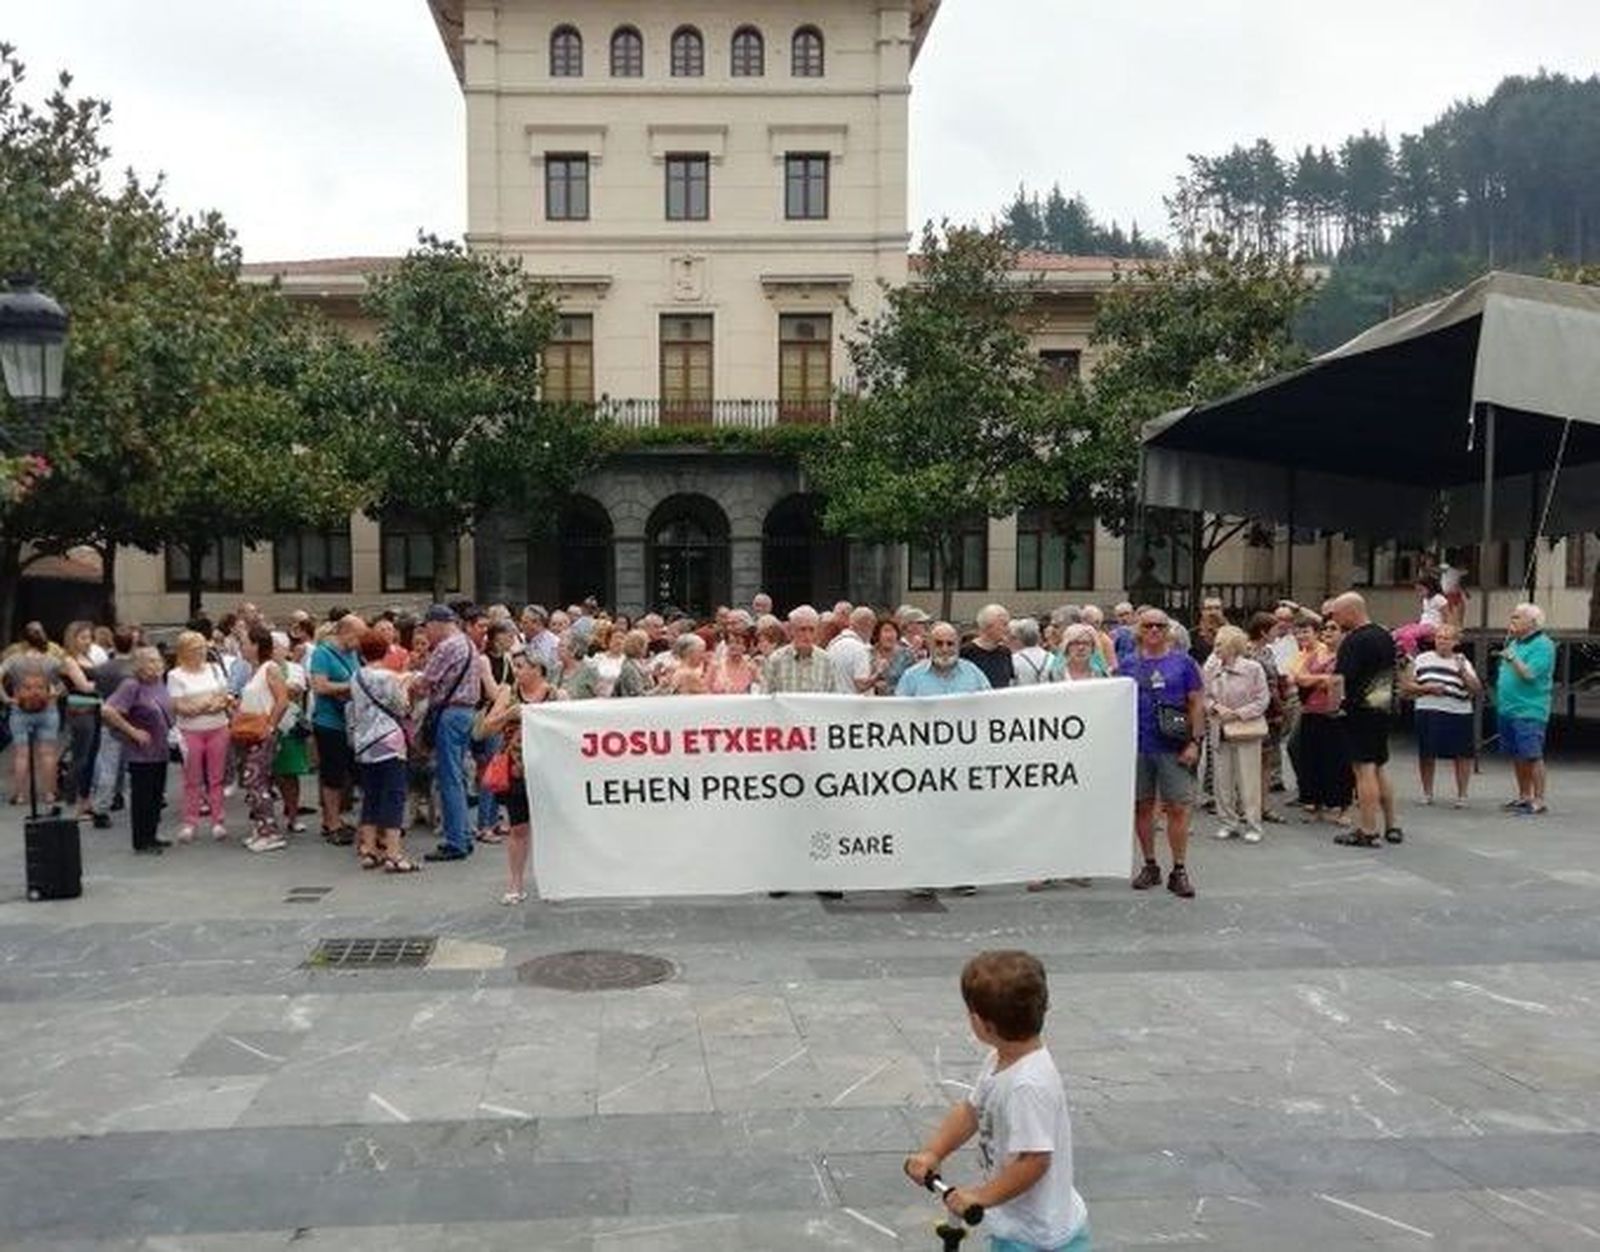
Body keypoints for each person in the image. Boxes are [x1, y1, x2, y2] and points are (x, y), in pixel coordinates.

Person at [904, 951, 1090, 1252]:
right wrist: (933, 1153)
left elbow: (1035, 1161)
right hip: (1018, 1223)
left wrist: (982, 1196)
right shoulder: (1001, 1059)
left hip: (1038, 1238)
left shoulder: (1027, 1085)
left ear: (980, 1023)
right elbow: (970, 1111)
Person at [1128, 607, 1203, 898]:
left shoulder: (1184, 664)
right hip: (1138, 745)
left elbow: (1196, 702)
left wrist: (1194, 741)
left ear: (1169, 630)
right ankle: (1150, 864)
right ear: (1139, 630)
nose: (1155, 630)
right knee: (1142, 806)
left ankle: (1179, 869)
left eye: (1160, 625)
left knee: (1178, 807)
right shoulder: (1127, 665)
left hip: (1174, 746)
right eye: (1148, 626)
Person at [481, 646, 564, 904]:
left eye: (521, 666)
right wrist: (508, 715)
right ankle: (515, 884)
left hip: (548, 769)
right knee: (518, 827)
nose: (515, 672)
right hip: (516, 769)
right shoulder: (508, 693)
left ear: (537, 669)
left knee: (552, 828)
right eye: (515, 666)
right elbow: (484, 729)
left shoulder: (556, 695)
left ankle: (556, 882)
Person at [1330, 592, 1400, 847]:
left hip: (1359, 709)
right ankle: (1392, 824)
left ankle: (1368, 829)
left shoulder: (1354, 641)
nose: (1334, 619)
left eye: (1336, 614)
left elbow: (1339, 680)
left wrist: (1333, 707)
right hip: (1381, 706)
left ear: (1351, 611)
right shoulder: (1384, 636)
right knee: (1380, 766)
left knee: (1363, 769)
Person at [349, 626, 420, 873]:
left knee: (371, 794)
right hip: (389, 740)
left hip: (364, 741)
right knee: (394, 794)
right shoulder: (389, 677)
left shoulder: (356, 677)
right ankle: (393, 852)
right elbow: (402, 708)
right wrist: (405, 686)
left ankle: (369, 849)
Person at [416, 604, 481, 863]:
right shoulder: (468, 644)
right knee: (460, 776)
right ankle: (464, 834)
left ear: (437, 624)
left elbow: (425, 683)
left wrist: (409, 683)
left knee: (449, 777)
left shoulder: (446, 647)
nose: (427, 635)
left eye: (427, 629)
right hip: (467, 713)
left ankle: (455, 840)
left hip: (450, 714)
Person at [99, 647, 174, 854]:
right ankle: (141, 841)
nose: (156, 665)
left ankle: (152, 835)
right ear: (139, 664)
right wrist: (133, 731)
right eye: (150, 661)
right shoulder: (131, 685)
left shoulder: (159, 683)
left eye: (158, 661)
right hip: (141, 752)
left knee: (156, 795)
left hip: (161, 748)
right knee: (143, 796)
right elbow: (108, 710)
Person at [166, 630, 235, 843]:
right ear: (185, 652)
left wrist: (203, 704)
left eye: (203, 648)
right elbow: (180, 707)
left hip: (218, 726)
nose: (201, 653)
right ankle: (190, 821)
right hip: (190, 731)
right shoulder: (175, 675)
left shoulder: (214, 669)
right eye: (196, 650)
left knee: (216, 777)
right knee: (192, 778)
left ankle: (217, 820)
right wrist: (208, 703)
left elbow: (225, 698)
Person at [1403, 621, 1481, 807]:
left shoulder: (1462, 660)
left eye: (1446, 638)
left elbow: (1476, 689)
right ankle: (1427, 793)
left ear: (1455, 642)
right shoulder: (1422, 659)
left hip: (1458, 711)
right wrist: (1428, 687)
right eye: (1439, 637)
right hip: (1427, 710)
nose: (1442, 641)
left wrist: (1462, 671)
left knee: (1462, 754)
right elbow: (1407, 687)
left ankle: (1462, 795)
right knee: (1426, 753)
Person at [1205, 625, 1271, 844]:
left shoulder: (1253, 669)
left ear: (1233, 646)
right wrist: (1214, 707)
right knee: (1222, 780)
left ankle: (1254, 824)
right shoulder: (1211, 667)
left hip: (1245, 730)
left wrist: (1238, 714)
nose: (1215, 649)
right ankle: (1228, 822)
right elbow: (1203, 695)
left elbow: (1262, 700)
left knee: (1248, 779)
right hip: (1219, 729)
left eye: (1219, 644)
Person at [308, 614, 365, 845]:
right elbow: (319, 686)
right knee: (332, 774)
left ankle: (337, 819)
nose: (361, 642)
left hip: (350, 722)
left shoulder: (352, 654)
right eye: (359, 636)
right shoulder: (322, 653)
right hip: (329, 722)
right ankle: (331, 822)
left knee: (350, 772)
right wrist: (351, 687)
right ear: (346, 632)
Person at [1496, 602, 1556, 815]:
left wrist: (1513, 659)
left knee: (1532, 755)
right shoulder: (1516, 642)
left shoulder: (1543, 645)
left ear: (1532, 622)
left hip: (1529, 709)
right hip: (1509, 709)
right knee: (1518, 754)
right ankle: (1524, 796)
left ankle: (1539, 799)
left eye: (1517, 617)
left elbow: (1530, 674)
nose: (1512, 620)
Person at [1292, 617, 1353, 825]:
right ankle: (1316, 804)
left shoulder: (1346, 656)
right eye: (1325, 628)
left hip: (1335, 715)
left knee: (1338, 762)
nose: (1327, 631)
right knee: (1312, 759)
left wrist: (1316, 679)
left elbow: (1340, 682)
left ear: (1343, 633)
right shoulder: (1315, 654)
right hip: (1311, 712)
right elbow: (1299, 678)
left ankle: (1343, 808)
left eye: (1333, 628)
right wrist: (1322, 679)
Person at [236, 626, 290, 853]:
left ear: (257, 644)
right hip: (251, 730)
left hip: (263, 731)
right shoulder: (255, 670)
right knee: (254, 780)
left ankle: (269, 831)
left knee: (255, 780)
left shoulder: (270, 668)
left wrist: (270, 725)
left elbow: (282, 700)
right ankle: (261, 827)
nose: (242, 647)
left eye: (245, 642)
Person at [2, 621, 64, 806]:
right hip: (48, 709)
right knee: (48, 753)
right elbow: (67, 681)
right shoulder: (52, 660)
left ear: (23, 640)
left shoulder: (13, 659)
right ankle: (50, 794)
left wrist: (5, 697)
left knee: (21, 754)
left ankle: (19, 795)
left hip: (19, 708)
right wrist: (55, 694)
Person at [88, 627, 138, 828]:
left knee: (109, 763)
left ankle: (101, 807)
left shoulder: (102, 669)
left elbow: (98, 693)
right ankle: (119, 795)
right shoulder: (137, 669)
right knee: (130, 764)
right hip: (134, 719)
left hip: (109, 719)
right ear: (132, 644)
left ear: (113, 644)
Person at [57, 621, 104, 819]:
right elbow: (84, 686)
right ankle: (72, 801)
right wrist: (103, 682)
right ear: (72, 639)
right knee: (81, 757)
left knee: (91, 756)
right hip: (80, 710)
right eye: (83, 637)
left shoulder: (86, 657)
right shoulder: (69, 660)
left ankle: (85, 801)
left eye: (89, 637)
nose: (87, 641)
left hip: (94, 708)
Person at [269, 631, 312, 833]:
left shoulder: (295, 668)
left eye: (276, 646)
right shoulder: (261, 669)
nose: (272, 650)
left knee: (290, 773)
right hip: (265, 724)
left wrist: (275, 688)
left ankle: (293, 815)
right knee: (268, 774)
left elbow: (295, 690)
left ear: (286, 650)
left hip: (289, 727)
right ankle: (266, 817)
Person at [763, 606, 847, 693]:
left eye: (811, 630)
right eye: (802, 629)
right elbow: (765, 697)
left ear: (817, 632)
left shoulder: (827, 661)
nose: (807, 635)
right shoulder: (776, 660)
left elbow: (835, 698)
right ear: (792, 630)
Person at [897, 621, 992, 696]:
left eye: (950, 644)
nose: (945, 649)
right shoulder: (911, 677)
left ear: (958, 645)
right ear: (929, 645)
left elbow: (990, 704)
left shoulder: (974, 674)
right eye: (939, 644)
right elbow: (899, 711)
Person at [962, 604, 1014, 690]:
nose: (1008, 629)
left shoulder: (1005, 652)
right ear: (988, 626)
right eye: (1004, 624)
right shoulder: (966, 653)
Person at [826, 606, 877, 693]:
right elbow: (861, 684)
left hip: (833, 701)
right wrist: (879, 673)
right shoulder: (860, 649)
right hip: (852, 703)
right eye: (872, 628)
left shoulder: (832, 645)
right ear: (868, 625)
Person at [865, 618, 913, 695]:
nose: (890, 635)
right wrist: (874, 684)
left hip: (898, 700)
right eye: (886, 631)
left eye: (893, 631)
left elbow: (912, 682)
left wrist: (888, 688)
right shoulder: (868, 653)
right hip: (872, 701)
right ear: (878, 635)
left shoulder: (906, 655)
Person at [708, 623, 759, 694]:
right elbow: (706, 691)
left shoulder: (751, 667)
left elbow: (760, 691)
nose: (733, 646)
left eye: (738, 643)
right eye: (730, 642)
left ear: (745, 647)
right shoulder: (716, 666)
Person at [1010, 618, 1061, 686]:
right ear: (1038, 635)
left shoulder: (1014, 660)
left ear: (1020, 637)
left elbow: (1011, 684)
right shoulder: (1052, 658)